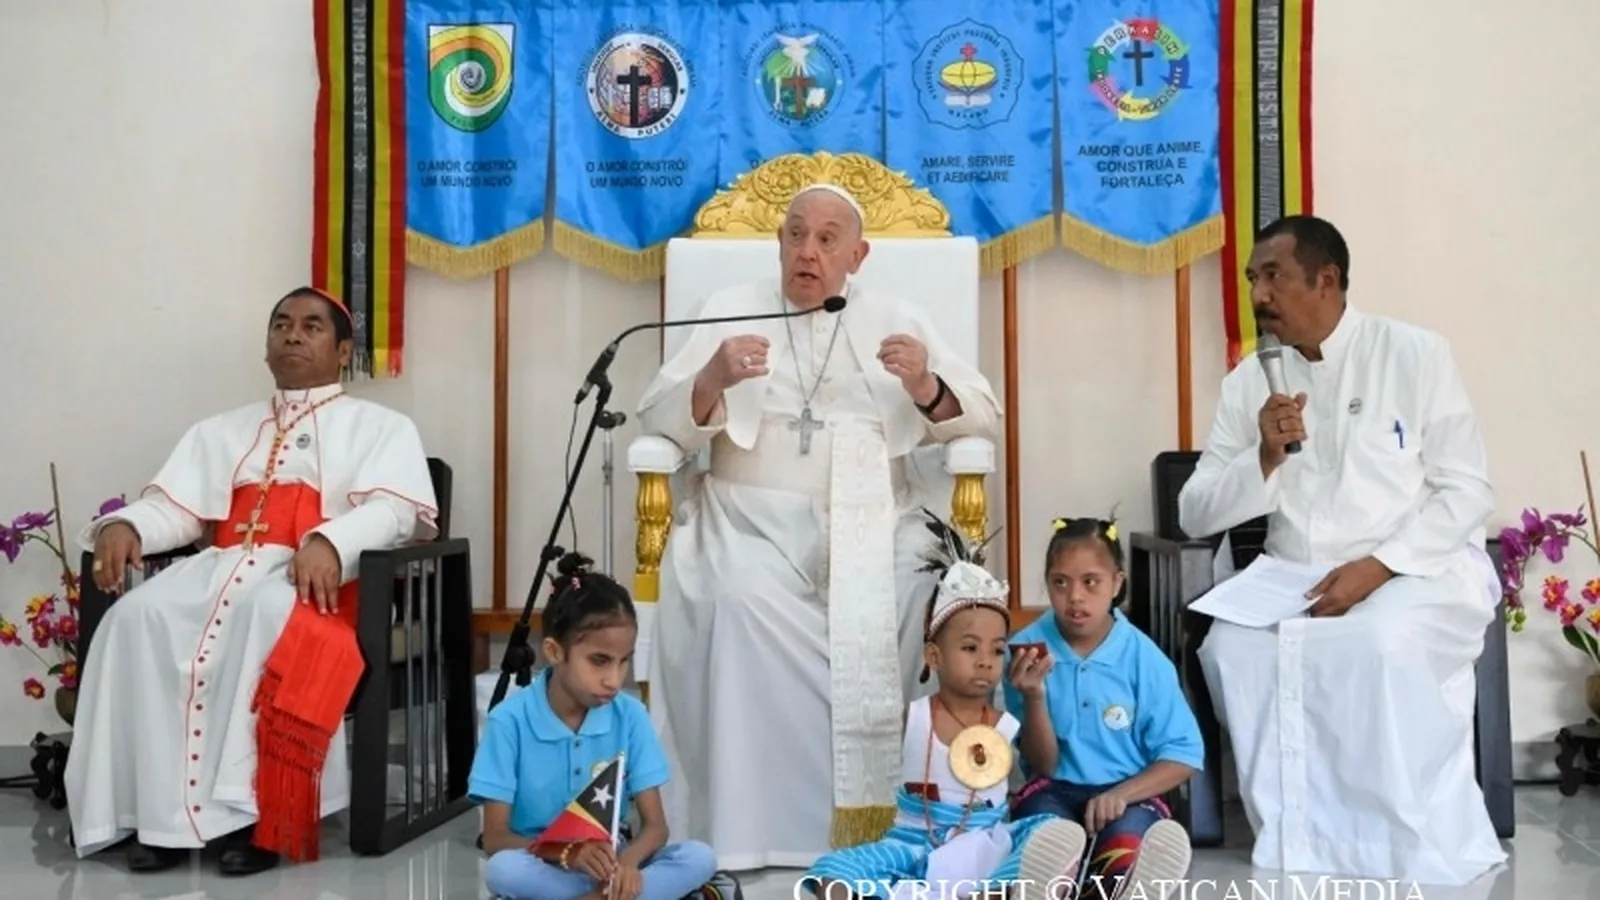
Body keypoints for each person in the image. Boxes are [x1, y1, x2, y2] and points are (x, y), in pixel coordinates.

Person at [636, 182, 1002, 868]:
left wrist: (925, 385)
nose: (807, 251)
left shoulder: (898, 317)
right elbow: (657, 418)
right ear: (779, 243)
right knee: (734, 599)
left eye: (828, 239)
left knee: (915, 587)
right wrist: (711, 377)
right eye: (796, 234)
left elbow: (984, 416)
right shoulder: (728, 310)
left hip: (877, 517)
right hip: (745, 519)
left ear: (857, 257)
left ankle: (908, 816)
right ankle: (746, 828)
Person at [65, 287, 440, 876]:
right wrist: (126, 524)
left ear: (343, 351)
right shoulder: (219, 430)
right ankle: (159, 818)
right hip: (223, 567)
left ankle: (257, 819)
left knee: (264, 610)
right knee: (137, 616)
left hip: (324, 582)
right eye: (282, 324)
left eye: (312, 326)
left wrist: (330, 542)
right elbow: (177, 510)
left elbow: (395, 512)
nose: (293, 334)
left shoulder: (381, 427)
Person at [1180, 215, 1506, 885]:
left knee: (1380, 641)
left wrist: (1379, 567)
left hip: (1414, 569)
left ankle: (1396, 843)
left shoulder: (1415, 354)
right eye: (1252, 278)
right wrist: (1264, 456)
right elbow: (1195, 511)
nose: (1258, 294)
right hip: (1294, 578)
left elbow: (1468, 489)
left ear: (1326, 280)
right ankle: (1301, 843)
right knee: (1231, 648)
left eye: (1273, 276)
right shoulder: (1249, 383)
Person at [802, 516, 1088, 899]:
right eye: (970, 648)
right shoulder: (916, 716)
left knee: (1048, 830)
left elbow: (1045, 766)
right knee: (831, 873)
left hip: (982, 845)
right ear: (934, 656)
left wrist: (1035, 697)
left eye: (997, 650)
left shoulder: (1003, 723)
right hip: (912, 846)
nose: (985, 661)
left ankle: (994, 892)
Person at [470, 552, 718, 900]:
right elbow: (496, 839)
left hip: (612, 865)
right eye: (599, 661)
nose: (614, 680)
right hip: (543, 863)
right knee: (503, 870)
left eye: (623, 662)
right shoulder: (508, 722)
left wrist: (626, 866)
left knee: (699, 856)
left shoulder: (631, 716)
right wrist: (569, 853)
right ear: (555, 652)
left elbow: (656, 828)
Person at [1004, 517, 1198, 900]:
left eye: (1090, 582)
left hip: (1129, 792)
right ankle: (1058, 878)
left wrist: (1121, 795)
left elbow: (1183, 755)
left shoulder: (1144, 659)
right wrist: (1034, 697)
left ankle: (1118, 874)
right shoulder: (1026, 651)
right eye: (1060, 582)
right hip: (1054, 790)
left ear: (1116, 583)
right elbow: (1042, 766)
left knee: (1126, 840)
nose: (1075, 597)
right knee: (1045, 833)